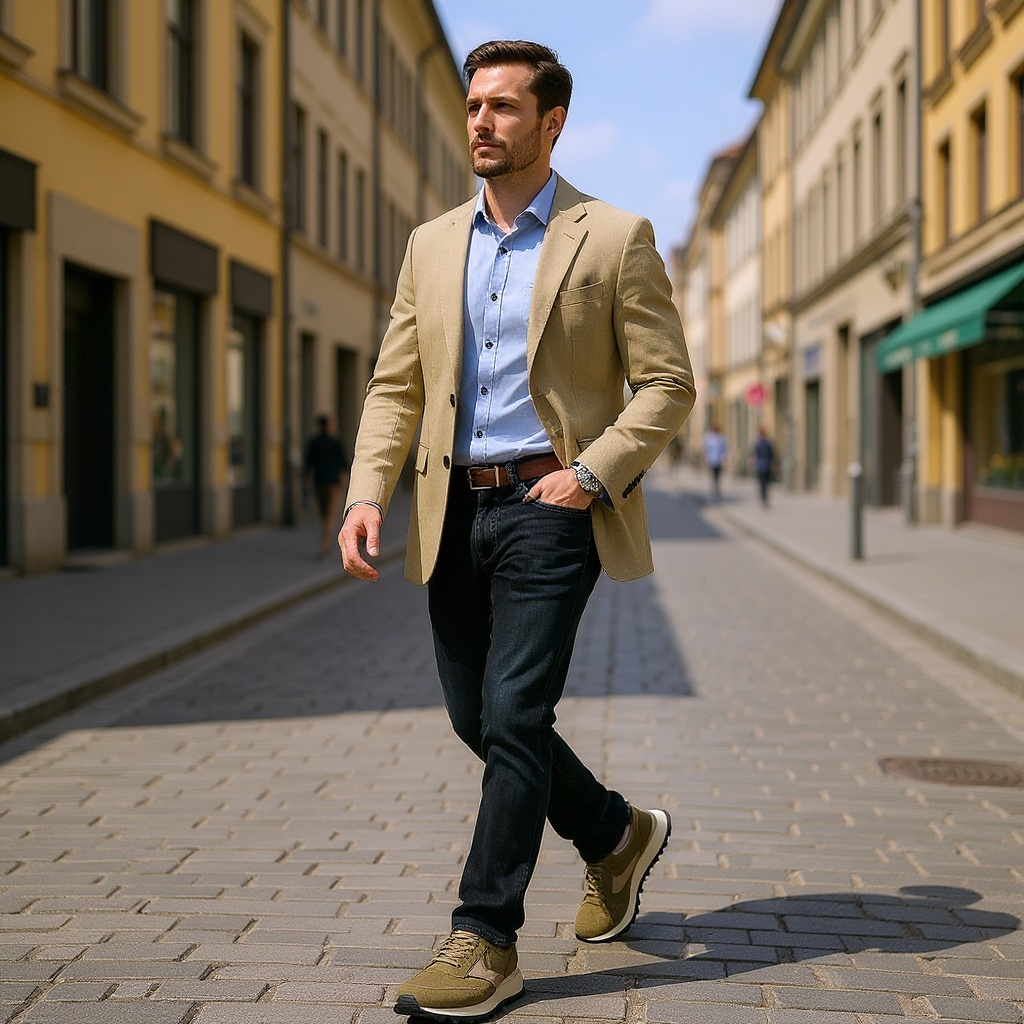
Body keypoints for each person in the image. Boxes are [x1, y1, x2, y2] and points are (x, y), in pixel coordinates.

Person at [339, 40, 695, 1023]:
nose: (480, 122)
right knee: (477, 717)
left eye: (502, 106)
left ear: (551, 123)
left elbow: (667, 383)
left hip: (552, 506)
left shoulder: (612, 236)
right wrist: (368, 491)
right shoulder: (430, 243)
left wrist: (590, 475)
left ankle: (485, 935)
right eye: (472, 105)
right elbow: (397, 383)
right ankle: (616, 835)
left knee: (517, 713)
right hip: (451, 504)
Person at [304, 414, 349, 557]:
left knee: (323, 512)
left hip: (319, 481)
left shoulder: (314, 442)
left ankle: (325, 539)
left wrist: (308, 480)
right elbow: (343, 463)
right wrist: (344, 480)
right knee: (330, 511)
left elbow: (308, 464)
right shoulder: (334, 442)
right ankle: (326, 538)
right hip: (333, 482)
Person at [702, 423, 727, 500]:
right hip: (712, 460)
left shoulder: (721, 439)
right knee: (713, 475)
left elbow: (724, 449)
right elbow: (706, 449)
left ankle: (716, 487)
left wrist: (724, 459)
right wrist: (706, 458)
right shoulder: (709, 438)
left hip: (718, 460)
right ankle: (714, 488)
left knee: (718, 475)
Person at [751, 426, 775, 508]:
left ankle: (764, 498)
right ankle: (764, 498)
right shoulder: (767, 443)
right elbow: (772, 454)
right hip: (765, 465)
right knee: (765, 483)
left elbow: (754, 454)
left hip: (761, 465)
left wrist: (753, 463)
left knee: (763, 483)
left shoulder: (758, 443)